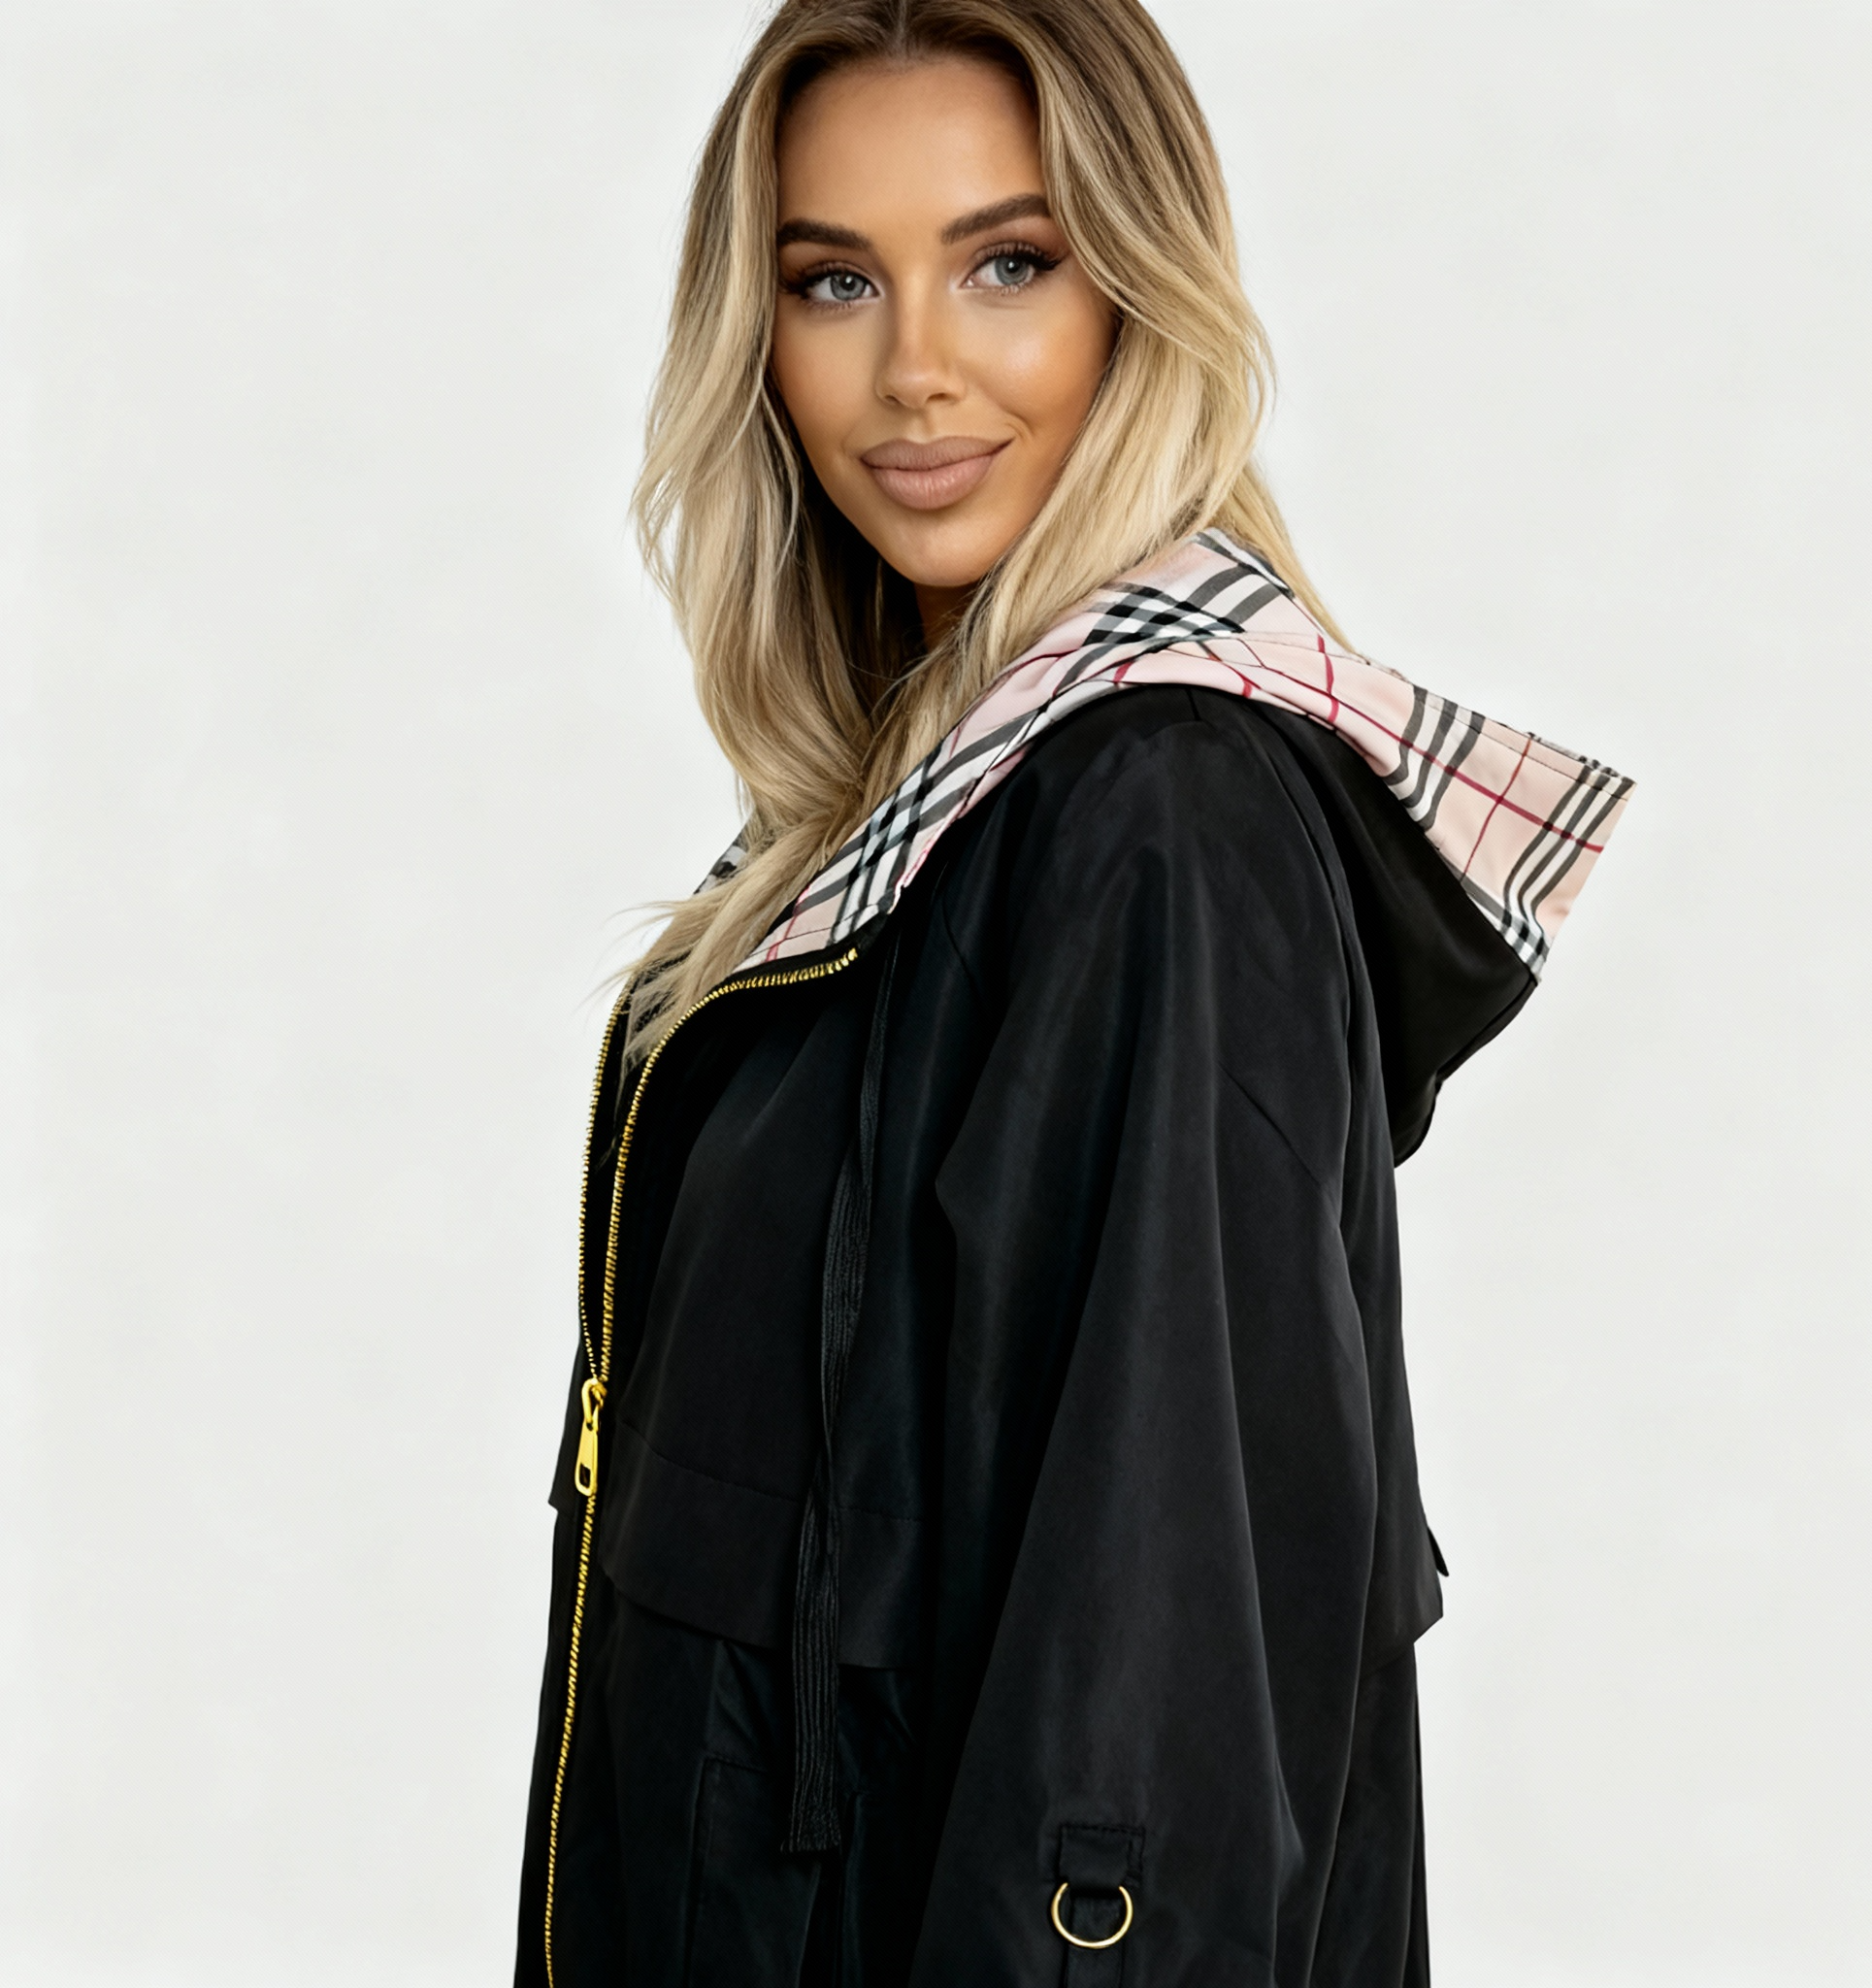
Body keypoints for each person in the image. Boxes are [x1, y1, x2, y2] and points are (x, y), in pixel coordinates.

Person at [514, 3, 1631, 1982]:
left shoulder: (1155, 824)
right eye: (833, 280)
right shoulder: (903, 829)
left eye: (1007, 264)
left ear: (1140, 293)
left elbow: (1143, 1743)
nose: (914, 370)